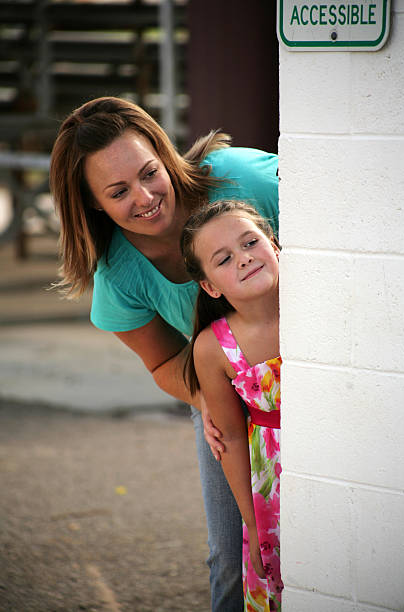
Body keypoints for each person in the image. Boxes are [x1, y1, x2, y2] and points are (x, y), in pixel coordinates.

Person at [49, 96, 279, 611]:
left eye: (150, 172)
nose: (147, 196)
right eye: (119, 191)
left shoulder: (246, 179)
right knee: (233, 554)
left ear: (163, 152)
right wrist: (219, 403)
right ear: (92, 204)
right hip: (221, 394)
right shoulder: (118, 276)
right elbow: (163, 364)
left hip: (317, 370)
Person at [181, 200, 283, 611]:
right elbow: (232, 441)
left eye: (250, 243)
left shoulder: (319, 306)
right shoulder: (212, 347)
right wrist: (255, 523)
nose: (243, 259)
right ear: (210, 286)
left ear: (273, 244)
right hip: (272, 485)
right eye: (224, 259)